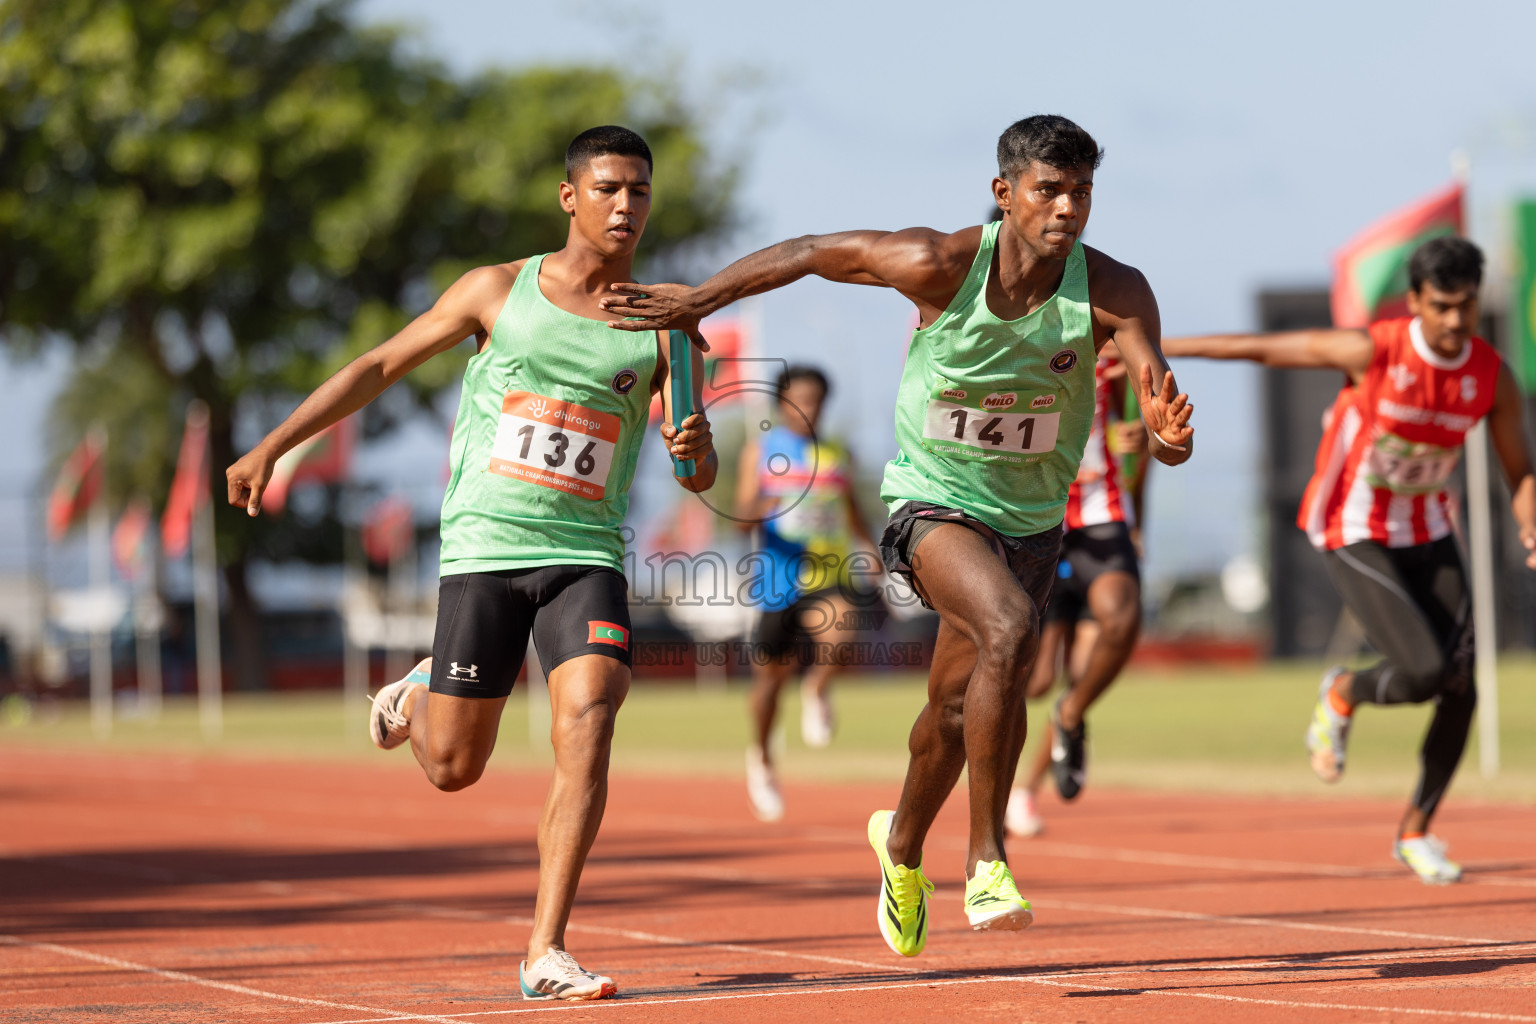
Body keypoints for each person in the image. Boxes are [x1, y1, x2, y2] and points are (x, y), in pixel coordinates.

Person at [597, 114, 1194, 955]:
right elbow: (808, 250)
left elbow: (1161, 416)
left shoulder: (1115, 291)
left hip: (1031, 521)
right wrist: (699, 298)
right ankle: (988, 858)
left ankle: (901, 846)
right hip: (934, 503)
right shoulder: (940, 264)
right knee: (1011, 631)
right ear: (1004, 194)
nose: (1067, 208)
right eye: (1048, 190)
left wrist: (1171, 437)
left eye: (1082, 192)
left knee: (956, 708)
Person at [225, 126, 717, 999]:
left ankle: (545, 951)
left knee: (592, 713)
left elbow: (695, 468)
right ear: (570, 196)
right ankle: (420, 696)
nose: (625, 206)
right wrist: (274, 446)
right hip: (487, 548)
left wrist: (696, 441)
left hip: (586, 553)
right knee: (454, 767)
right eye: (608, 188)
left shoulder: (666, 321)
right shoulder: (497, 291)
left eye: (639, 192)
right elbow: (379, 364)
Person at [1162, 236, 1536, 885]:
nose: (1455, 322)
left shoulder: (1491, 374)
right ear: (1416, 302)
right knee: (1422, 671)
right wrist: (1156, 349)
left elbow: (1520, 472)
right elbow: (1261, 349)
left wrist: (1531, 522)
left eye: (1467, 307)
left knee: (1463, 686)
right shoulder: (1375, 351)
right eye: (1442, 306)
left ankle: (1417, 829)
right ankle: (1343, 689)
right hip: (1352, 524)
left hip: (1426, 527)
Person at [1006, 348, 1149, 837]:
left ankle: (1032, 781)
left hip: (1102, 516)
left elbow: (1138, 439)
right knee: (1039, 678)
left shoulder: (1114, 361)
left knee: (1116, 624)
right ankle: (1002, 780)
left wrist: (1139, 519)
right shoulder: (1015, 355)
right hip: (1040, 523)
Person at [736, 364, 880, 821]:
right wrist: (768, 499)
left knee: (842, 634)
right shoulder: (762, 449)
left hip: (829, 569)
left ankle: (817, 687)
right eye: (801, 400)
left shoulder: (838, 453)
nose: (810, 409)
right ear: (782, 404)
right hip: (778, 577)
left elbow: (852, 505)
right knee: (770, 682)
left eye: (817, 400)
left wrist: (868, 547)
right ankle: (761, 758)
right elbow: (740, 516)